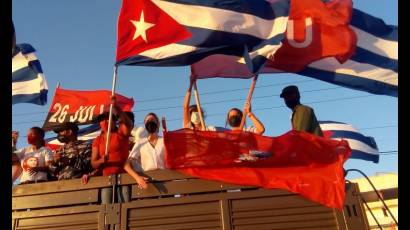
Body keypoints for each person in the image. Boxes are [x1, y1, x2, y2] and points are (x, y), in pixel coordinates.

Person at [91, 96, 133, 203]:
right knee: (106, 206)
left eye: (108, 119)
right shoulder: (97, 140)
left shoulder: (120, 133)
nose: (104, 122)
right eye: (101, 120)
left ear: (114, 121)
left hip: (124, 176)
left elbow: (128, 123)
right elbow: (93, 163)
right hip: (106, 179)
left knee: (124, 206)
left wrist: (116, 108)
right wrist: (101, 161)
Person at [124, 113, 165, 189]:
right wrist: (137, 178)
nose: (150, 122)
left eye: (152, 120)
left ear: (158, 123)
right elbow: (126, 164)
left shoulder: (164, 140)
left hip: (166, 180)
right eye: (147, 121)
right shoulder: (141, 142)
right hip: (149, 182)